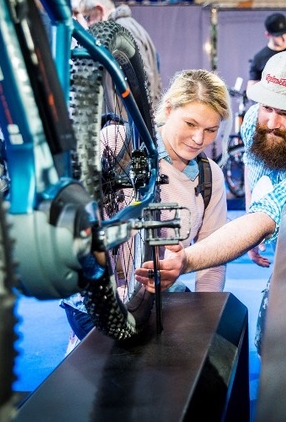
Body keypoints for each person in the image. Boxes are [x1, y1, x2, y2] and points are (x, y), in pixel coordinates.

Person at [135, 50, 286, 354]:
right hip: (278, 231)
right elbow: (255, 166)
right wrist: (251, 217)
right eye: (267, 108)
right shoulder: (256, 120)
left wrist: (187, 260)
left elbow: (264, 219)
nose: (272, 122)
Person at [60, 69, 231, 352]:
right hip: (101, 306)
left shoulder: (209, 177)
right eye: (190, 123)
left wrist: (207, 323)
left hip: (164, 309)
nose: (199, 139)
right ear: (168, 109)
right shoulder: (118, 142)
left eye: (211, 130)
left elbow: (213, 258)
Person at [80, 0, 163, 106]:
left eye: (87, 17)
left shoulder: (121, 29)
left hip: (132, 119)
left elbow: (143, 76)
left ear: (99, 10)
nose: (88, 24)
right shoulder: (128, 25)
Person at [247, 13, 286, 90]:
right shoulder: (259, 58)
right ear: (268, 35)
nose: (284, 38)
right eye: (278, 35)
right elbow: (251, 87)